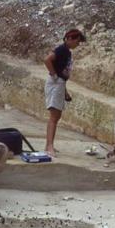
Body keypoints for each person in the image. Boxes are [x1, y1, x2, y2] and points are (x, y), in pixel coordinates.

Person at [43, 29, 86, 157]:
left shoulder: (67, 52)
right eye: (77, 41)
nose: (77, 44)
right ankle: (49, 146)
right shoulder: (62, 50)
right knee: (54, 116)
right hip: (55, 83)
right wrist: (54, 75)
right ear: (69, 38)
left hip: (60, 84)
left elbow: (63, 72)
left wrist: (64, 91)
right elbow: (47, 60)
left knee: (56, 116)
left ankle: (48, 145)